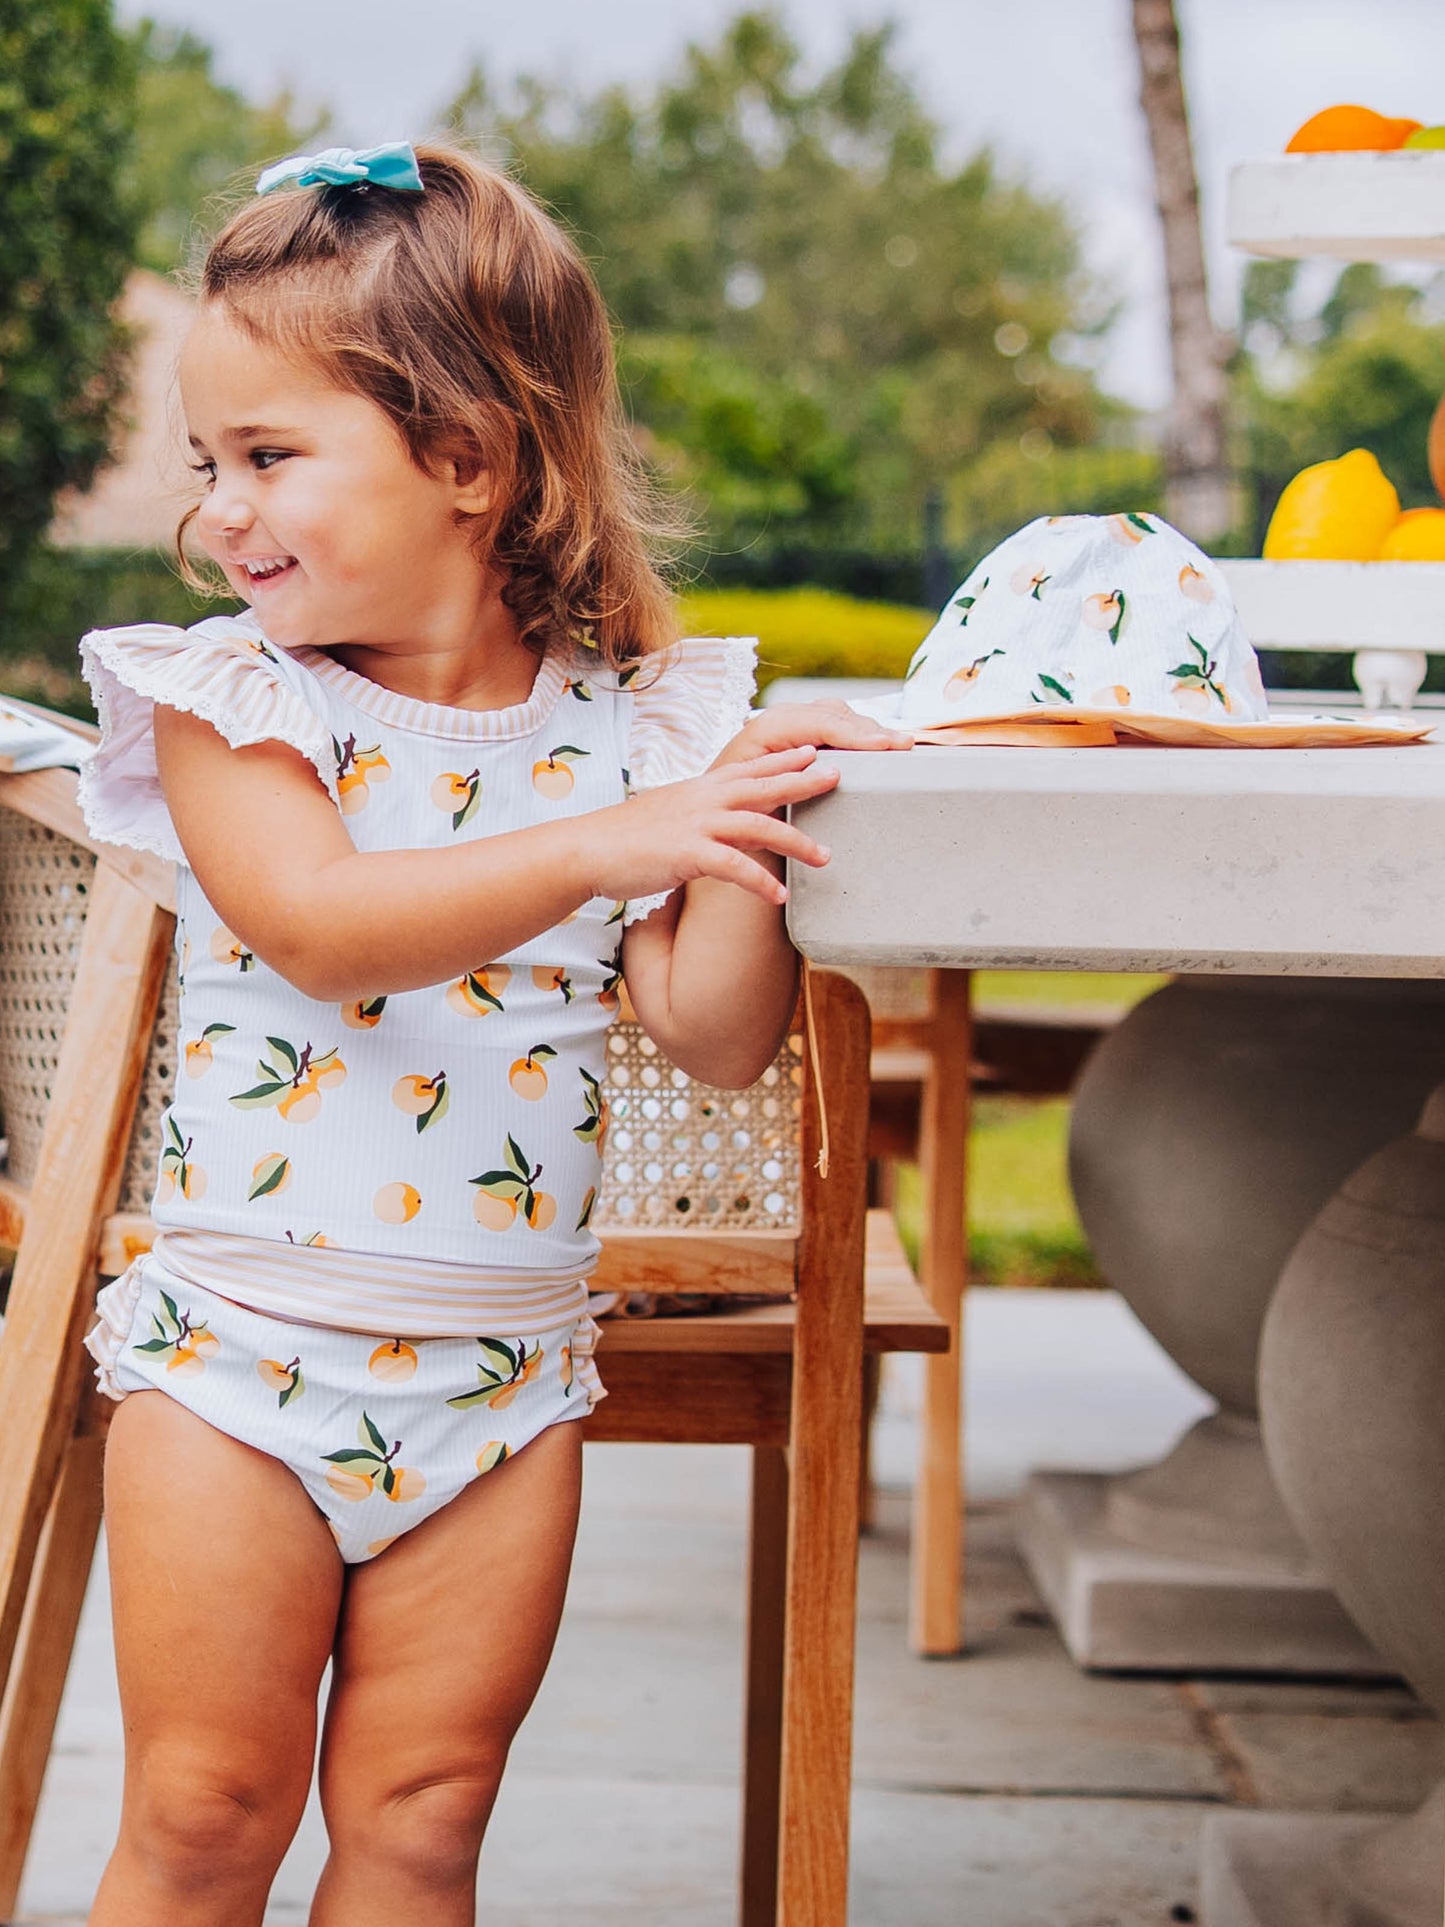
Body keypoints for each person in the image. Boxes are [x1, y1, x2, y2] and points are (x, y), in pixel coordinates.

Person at [74, 140, 910, 1925]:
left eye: (270, 457)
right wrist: (614, 840)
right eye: (211, 465)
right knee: (208, 1811)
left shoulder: (640, 719)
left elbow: (706, 1031)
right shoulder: (238, 701)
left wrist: (735, 826)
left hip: (503, 1387)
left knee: (428, 1818)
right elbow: (319, 932)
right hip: (241, 1370)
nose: (221, 510)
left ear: (466, 455)